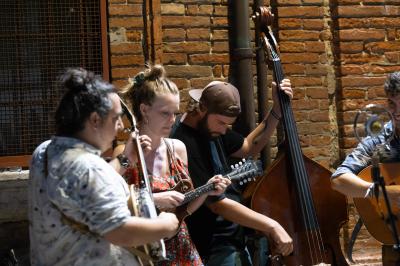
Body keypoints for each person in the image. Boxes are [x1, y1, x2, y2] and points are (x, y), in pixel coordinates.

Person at [28, 68, 179, 266]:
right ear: (95, 120)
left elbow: (85, 188)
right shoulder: (89, 167)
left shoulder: (44, 151)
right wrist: (165, 225)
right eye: (116, 118)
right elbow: (120, 231)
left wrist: (126, 159)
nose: (120, 127)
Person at [171, 78, 294, 265]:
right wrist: (272, 225)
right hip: (211, 246)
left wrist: (276, 109)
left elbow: (247, 147)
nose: (223, 131)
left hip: (233, 238)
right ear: (201, 108)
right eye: (221, 123)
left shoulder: (210, 127)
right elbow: (216, 204)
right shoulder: (182, 142)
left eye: (227, 124)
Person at [120, 64, 231, 265]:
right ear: (144, 110)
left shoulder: (177, 148)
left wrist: (206, 190)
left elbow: (183, 210)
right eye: (165, 113)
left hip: (180, 247)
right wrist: (153, 199)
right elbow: (113, 207)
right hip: (142, 253)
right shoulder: (126, 154)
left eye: (175, 113)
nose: (173, 120)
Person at [331, 71, 400, 265]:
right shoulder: (379, 140)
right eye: (392, 104)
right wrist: (379, 192)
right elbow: (339, 179)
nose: (397, 112)